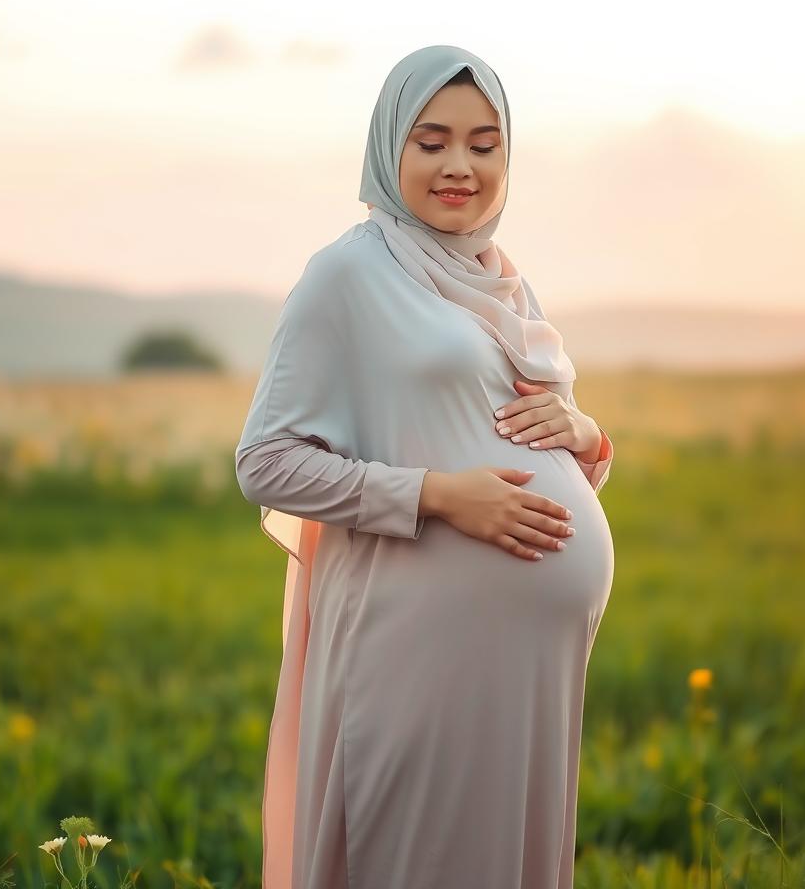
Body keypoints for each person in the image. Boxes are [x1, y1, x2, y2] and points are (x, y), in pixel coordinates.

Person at [235, 44, 614, 889]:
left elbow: (532, 450)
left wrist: (585, 435)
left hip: (527, 667)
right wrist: (438, 498)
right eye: (431, 140)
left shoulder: (502, 282)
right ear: (388, 149)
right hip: (412, 648)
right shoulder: (347, 276)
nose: (459, 166)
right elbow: (265, 463)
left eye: (484, 145)